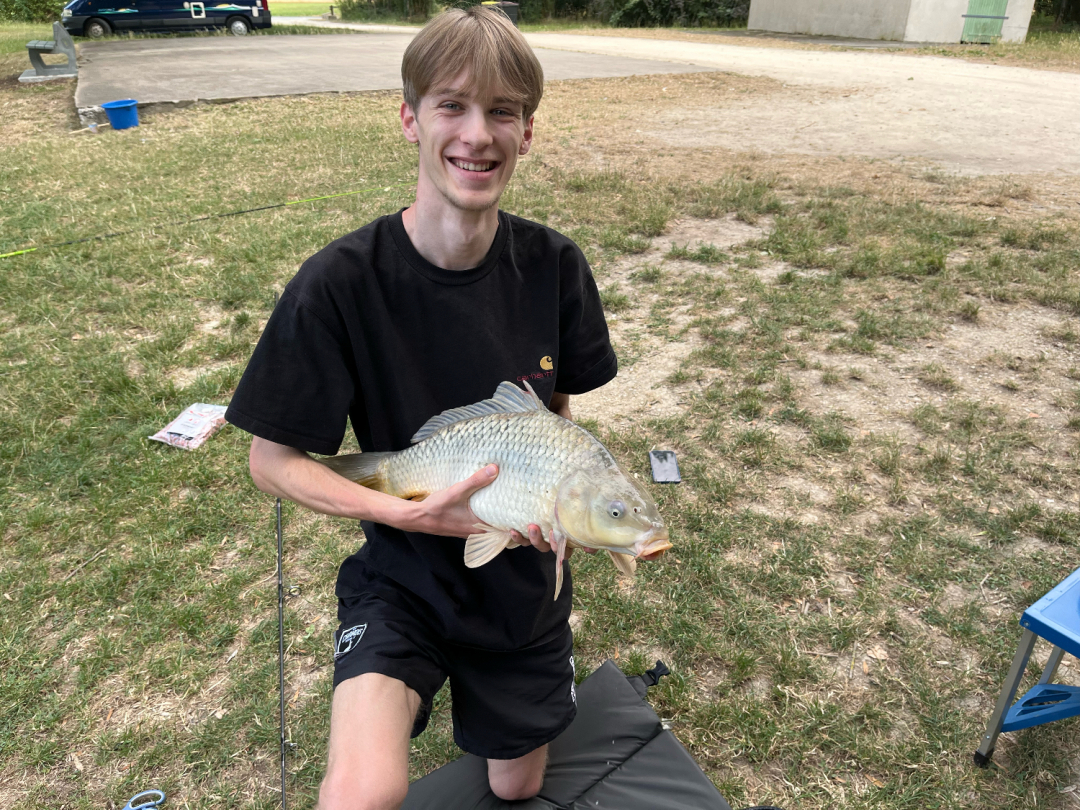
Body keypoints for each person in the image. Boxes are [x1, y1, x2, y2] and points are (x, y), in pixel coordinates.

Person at [225, 7, 616, 810]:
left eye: (501, 111)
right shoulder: (337, 283)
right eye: (452, 105)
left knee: (517, 786)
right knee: (362, 792)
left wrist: (562, 504)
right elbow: (271, 463)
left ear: (527, 132)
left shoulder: (555, 266)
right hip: (401, 578)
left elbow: (555, 417)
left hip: (516, 586)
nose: (477, 135)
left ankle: (525, 678)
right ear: (410, 118)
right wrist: (406, 515)